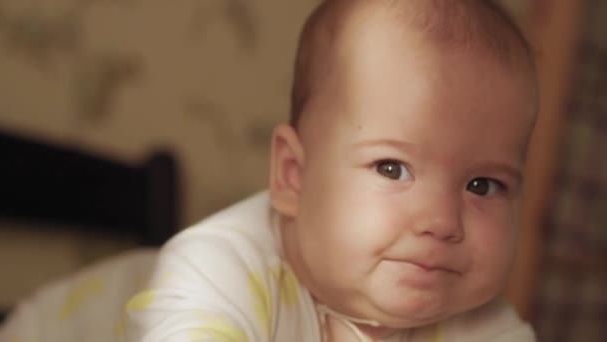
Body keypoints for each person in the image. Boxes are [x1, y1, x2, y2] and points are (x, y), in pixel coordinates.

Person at [125, 0, 539, 341]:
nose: (442, 221)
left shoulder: (477, 321)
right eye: (392, 168)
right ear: (294, 175)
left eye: (482, 185)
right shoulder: (217, 270)